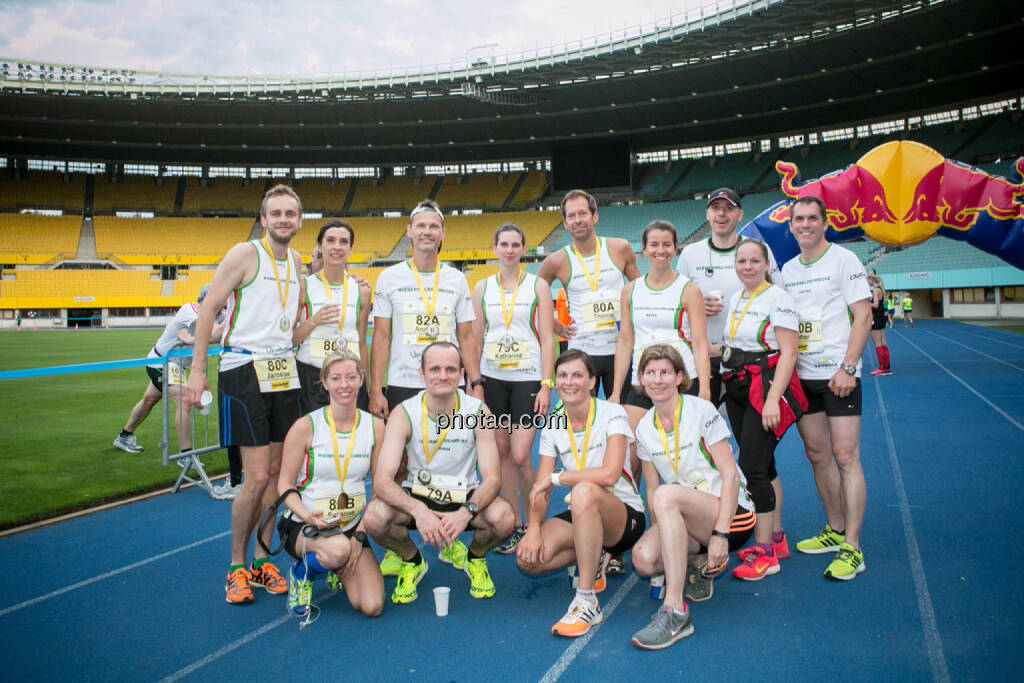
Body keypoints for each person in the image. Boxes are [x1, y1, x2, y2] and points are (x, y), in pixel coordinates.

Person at [185, 184, 305, 604]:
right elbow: (207, 313)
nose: (284, 220)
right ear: (264, 218)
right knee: (254, 478)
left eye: (291, 213)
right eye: (276, 213)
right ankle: (235, 565)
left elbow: (288, 326)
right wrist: (197, 371)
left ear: (299, 220)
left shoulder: (296, 262)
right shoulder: (243, 254)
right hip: (243, 370)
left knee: (276, 475)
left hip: (283, 372)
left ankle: (261, 558)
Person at [362, 342, 514, 604]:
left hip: (462, 495)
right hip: (418, 495)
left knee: (504, 518)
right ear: (421, 374)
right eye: (434, 369)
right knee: (374, 517)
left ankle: (475, 557)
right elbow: (383, 481)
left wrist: (465, 513)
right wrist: (419, 511)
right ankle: (412, 559)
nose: (442, 375)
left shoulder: (478, 412)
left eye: (450, 369)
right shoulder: (404, 413)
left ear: (461, 374)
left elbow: (493, 479)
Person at [629, 345, 755, 649]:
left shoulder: (701, 410)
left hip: (731, 514)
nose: (657, 380)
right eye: (650, 373)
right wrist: (660, 536)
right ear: (642, 380)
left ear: (680, 377)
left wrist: (721, 535)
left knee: (667, 494)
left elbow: (730, 474)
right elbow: (649, 487)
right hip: (686, 513)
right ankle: (697, 562)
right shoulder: (645, 427)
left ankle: (675, 611)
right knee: (644, 559)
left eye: (665, 372)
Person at [516, 349, 646, 638]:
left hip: (623, 515)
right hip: (582, 509)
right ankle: (592, 554)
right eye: (562, 375)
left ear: (591, 381)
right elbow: (540, 487)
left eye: (577, 375)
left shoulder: (612, 413)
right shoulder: (554, 421)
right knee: (530, 559)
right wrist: (534, 528)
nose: (569, 382)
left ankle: (586, 599)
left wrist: (559, 477)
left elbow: (610, 474)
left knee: (584, 491)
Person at [781, 196, 872, 580]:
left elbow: (863, 314)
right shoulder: (786, 269)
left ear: (824, 222)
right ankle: (835, 529)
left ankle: (853, 546)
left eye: (812, 218)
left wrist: (848, 367)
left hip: (839, 376)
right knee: (817, 454)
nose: (805, 224)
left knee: (846, 456)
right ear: (791, 226)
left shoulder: (844, 260)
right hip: (804, 377)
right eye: (799, 219)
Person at [276, 350, 386, 618]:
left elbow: (380, 488)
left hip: (348, 526)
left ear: (361, 379)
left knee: (372, 606)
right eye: (335, 378)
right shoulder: (305, 426)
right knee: (337, 550)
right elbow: (283, 485)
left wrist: (360, 533)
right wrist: (307, 517)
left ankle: (337, 563)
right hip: (305, 525)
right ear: (324, 382)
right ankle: (303, 571)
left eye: (350, 377)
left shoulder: (375, 427)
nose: (344, 385)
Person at [720, 239, 805, 580]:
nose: (748, 266)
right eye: (742, 260)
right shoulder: (736, 297)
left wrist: (773, 399)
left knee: (751, 468)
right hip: (738, 385)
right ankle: (777, 537)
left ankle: (765, 553)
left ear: (766, 264)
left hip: (765, 387)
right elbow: (733, 344)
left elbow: (789, 352)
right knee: (764, 465)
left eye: (755, 260)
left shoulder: (778, 299)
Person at [471, 223, 555, 554]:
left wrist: (546, 384)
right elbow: (475, 337)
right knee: (502, 453)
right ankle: (514, 525)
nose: (509, 249)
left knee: (521, 456)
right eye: (503, 243)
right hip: (492, 378)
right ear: (494, 248)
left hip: (527, 377)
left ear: (523, 249)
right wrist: (473, 380)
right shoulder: (481, 288)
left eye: (515, 244)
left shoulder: (538, 287)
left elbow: (548, 337)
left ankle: (535, 522)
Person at [610, 219, 711, 481]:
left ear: (676, 249)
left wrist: (705, 389)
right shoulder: (630, 290)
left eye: (667, 245)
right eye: (653, 244)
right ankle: (633, 516)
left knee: (683, 456)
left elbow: (700, 342)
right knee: (630, 454)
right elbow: (625, 342)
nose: (660, 250)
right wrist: (614, 391)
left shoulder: (689, 290)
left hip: (682, 380)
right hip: (642, 383)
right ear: (643, 249)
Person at [368, 199, 483, 420]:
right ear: (409, 231)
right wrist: (375, 389)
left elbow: (466, 337)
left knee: (450, 447)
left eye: (433, 226)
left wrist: (476, 383)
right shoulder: (388, 277)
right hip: (403, 381)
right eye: (420, 226)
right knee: (401, 452)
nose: (427, 232)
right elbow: (381, 338)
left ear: (443, 233)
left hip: (448, 381)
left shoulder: (457, 279)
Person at [676, 188, 782, 405]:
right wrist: (695, 306)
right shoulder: (690, 254)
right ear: (707, 214)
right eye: (715, 208)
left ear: (740, 215)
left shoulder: (759, 251)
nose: (721, 214)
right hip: (703, 355)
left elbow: (779, 296)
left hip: (748, 357)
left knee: (749, 432)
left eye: (728, 209)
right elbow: (675, 304)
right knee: (701, 427)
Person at [537, 188, 641, 397]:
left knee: (624, 414)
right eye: (571, 216)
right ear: (565, 223)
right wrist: (556, 325)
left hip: (620, 349)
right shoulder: (556, 260)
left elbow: (641, 291)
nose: (577, 220)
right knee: (584, 418)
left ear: (594, 216)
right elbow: (532, 296)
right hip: (581, 352)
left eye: (583, 213)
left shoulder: (620, 248)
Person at [113, 285, 225, 454]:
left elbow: (217, 335)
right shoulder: (191, 309)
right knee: (184, 401)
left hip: (177, 366)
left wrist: (191, 340)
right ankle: (185, 454)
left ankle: (124, 436)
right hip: (161, 362)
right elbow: (210, 333)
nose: (224, 302)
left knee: (148, 400)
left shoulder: (220, 316)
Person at [293, 219, 372, 412]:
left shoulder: (361, 289)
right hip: (312, 376)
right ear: (320, 246)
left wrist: (368, 388)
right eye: (331, 240)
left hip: (350, 376)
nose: (337, 247)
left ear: (351, 248)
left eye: (344, 242)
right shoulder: (303, 286)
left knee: (351, 439)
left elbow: (361, 342)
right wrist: (314, 321)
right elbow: (291, 340)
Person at [867, 273, 893, 375]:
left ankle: (882, 367)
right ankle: (886, 366)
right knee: (883, 343)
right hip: (881, 318)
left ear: (871, 280)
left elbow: (876, 305)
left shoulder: (876, 290)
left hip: (876, 318)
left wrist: (866, 303)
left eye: (867, 280)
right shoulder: (880, 290)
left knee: (877, 344)